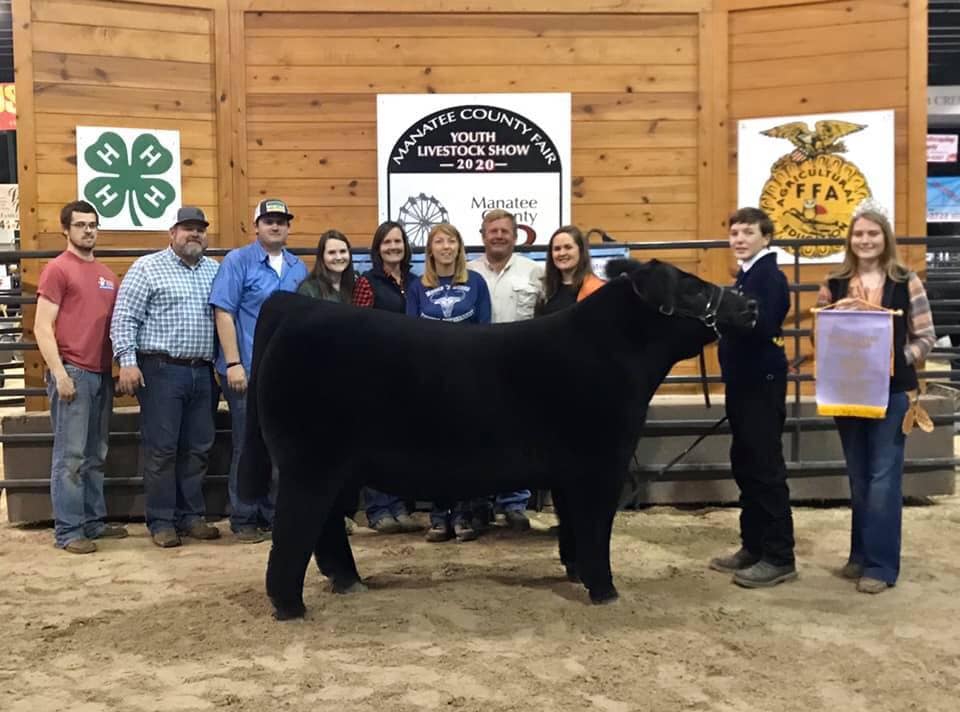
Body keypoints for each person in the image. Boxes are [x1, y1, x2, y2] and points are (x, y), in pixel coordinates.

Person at [816, 202, 935, 594]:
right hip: (848, 391)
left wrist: (893, 358)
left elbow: (926, 336)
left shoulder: (906, 281)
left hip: (892, 391)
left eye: (872, 233)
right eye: (858, 234)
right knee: (858, 473)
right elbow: (821, 335)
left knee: (883, 476)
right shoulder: (834, 283)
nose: (865, 240)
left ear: (886, 238)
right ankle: (860, 554)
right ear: (850, 240)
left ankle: (882, 565)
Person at [110, 207, 221, 548]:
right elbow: (124, 317)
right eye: (187, 228)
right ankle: (161, 520)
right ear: (172, 233)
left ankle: (191, 516)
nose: (195, 234)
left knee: (198, 447)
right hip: (161, 370)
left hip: (202, 370)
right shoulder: (147, 267)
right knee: (162, 449)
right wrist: (127, 362)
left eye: (200, 229)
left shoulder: (215, 270)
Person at [209, 198, 308, 543]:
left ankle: (273, 514)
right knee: (248, 443)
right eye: (269, 221)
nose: (275, 226)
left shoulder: (298, 267)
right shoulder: (238, 261)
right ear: (256, 226)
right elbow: (224, 311)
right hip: (247, 369)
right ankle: (244, 516)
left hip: (285, 374)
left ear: (288, 227)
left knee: (280, 445)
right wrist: (233, 363)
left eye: (281, 221)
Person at [710, 207, 797, 587]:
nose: (739, 239)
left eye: (747, 232)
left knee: (764, 467)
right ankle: (754, 545)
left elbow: (760, 325)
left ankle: (779, 556)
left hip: (760, 382)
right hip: (743, 382)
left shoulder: (769, 278)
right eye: (734, 233)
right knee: (745, 463)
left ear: (766, 236)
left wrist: (722, 315)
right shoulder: (748, 276)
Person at [34, 200, 127, 554]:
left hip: (101, 374)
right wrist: (59, 373)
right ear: (66, 229)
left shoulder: (107, 276)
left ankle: (92, 522)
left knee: (95, 454)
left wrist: (115, 369)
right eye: (80, 225)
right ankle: (69, 530)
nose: (88, 230)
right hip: (73, 370)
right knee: (71, 457)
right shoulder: (57, 270)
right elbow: (42, 326)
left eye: (92, 225)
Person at [408, 223, 491, 542]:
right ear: (430, 250)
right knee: (435, 448)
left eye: (451, 241)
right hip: (431, 380)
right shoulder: (418, 287)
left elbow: (485, 328)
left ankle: (464, 515)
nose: (445, 246)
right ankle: (439, 515)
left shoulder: (476, 283)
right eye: (439, 241)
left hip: (469, 377)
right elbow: (410, 333)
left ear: (459, 247)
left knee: (467, 448)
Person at [467, 209, 542, 531]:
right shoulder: (467, 271)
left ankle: (514, 504)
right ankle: (479, 503)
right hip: (474, 366)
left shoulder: (535, 272)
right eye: (492, 230)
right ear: (483, 235)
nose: (498, 236)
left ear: (515, 236)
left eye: (504, 231)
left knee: (520, 436)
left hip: (520, 367)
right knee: (476, 435)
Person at [352, 221, 422, 534]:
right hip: (377, 370)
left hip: (410, 371)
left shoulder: (416, 282)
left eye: (398, 242)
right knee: (376, 441)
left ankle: (401, 506)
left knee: (403, 442)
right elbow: (358, 325)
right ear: (378, 248)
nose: (393, 247)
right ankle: (379, 509)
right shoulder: (367, 282)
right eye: (387, 242)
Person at [536, 225, 605, 316]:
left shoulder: (596, 289)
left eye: (568, 247)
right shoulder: (544, 289)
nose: (562, 253)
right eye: (557, 249)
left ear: (581, 250)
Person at [297, 229, 359, 303]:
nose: (338, 257)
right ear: (321, 256)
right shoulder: (308, 290)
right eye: (331, 252)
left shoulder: (357, 284)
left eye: (343, 251)